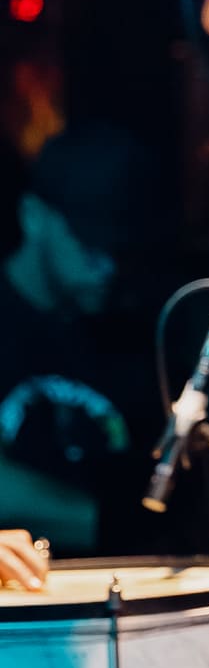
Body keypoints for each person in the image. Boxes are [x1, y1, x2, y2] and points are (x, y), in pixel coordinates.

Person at [0, 122, 170, 553]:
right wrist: (112, 524)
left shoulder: (135, 332)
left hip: (125, 585)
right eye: (91, 246)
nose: (109, 269)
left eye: (121, 250)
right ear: (33, 216)